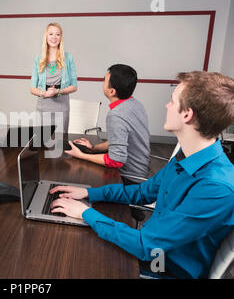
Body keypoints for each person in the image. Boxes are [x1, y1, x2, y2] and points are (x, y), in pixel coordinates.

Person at [50, 71, 234, 278]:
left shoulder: (216, 187)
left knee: (68, 261)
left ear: (187, 115)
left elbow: (147, 245)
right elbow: (142, 192)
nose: (167, 106)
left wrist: (85, 213)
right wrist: (88, 193)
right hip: (152, 246)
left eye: (172, 102)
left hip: (164, 267)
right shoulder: (187, 156)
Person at [66, 64, 150, 184]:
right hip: (142, 172)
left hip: (129, 179)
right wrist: (93, 149)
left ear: (112, 91)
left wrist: (81, 155)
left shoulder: (116, 115)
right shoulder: (135, 104)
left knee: (77, 181)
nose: (102, 82)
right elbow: (118, 140)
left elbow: (116, 161)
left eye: (104, 80)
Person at [30, 22, 78, 135]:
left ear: (61, 37)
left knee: (60, 143)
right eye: (51, 34)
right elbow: (32, 88)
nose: (54, 37)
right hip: (43, 107)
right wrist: (44, 93)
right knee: (41, 142)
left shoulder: (68, 58)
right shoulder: (39, 60)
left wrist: (58, 91)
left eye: (58, 34)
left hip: (62, 107)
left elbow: (74, 86)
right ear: (46, 37)